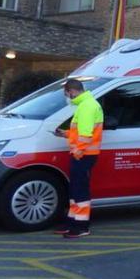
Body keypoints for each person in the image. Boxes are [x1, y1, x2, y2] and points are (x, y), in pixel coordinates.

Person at [57, 78, 102, 239]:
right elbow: (81, 132)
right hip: (84, 154)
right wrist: (66, 134)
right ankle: (72, 222)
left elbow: (86, 135)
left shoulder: (87, 106)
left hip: (83, 155)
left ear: (72, 91)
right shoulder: (87, 105)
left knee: (80, 190)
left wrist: (77, 151)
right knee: (75, 189)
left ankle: (81, 226)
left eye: (67, 94)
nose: (67, 97)